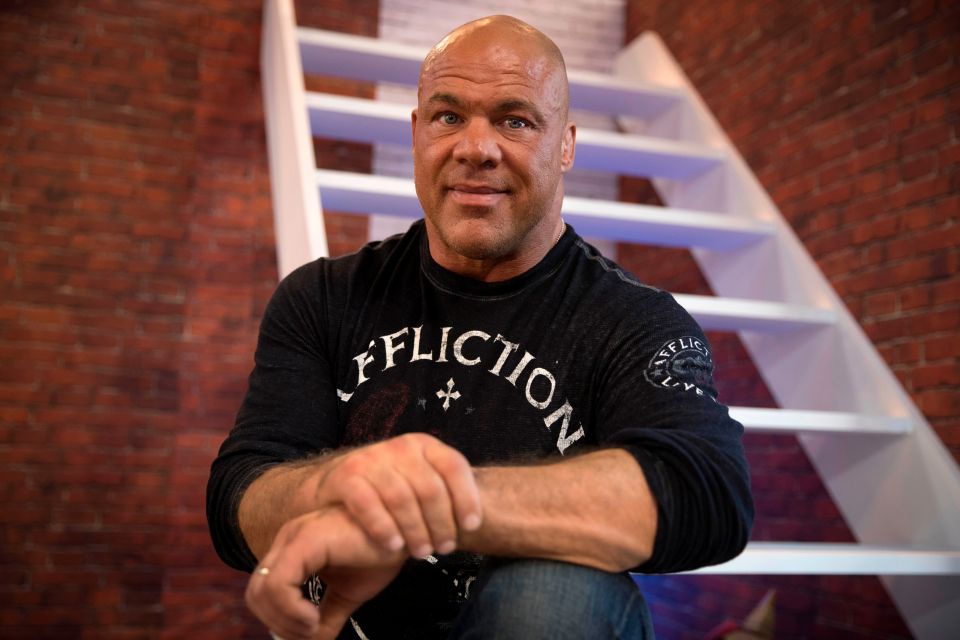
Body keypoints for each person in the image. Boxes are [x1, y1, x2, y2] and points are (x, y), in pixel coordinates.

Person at [207, 15, 753, 640]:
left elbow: (709, 492)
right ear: (417, 134)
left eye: (514, 120)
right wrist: (333, 485)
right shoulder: (323, 297)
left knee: (554, 593)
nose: (476, 147)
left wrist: (405, 511)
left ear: (567, 145)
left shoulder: (632, 320)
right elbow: (238, 495)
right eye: (448, 116)